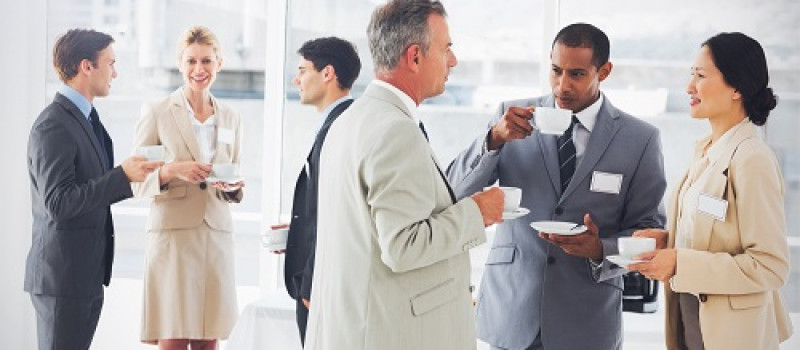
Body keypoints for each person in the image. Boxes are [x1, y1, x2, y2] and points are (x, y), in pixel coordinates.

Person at [446, 23, 667, 350]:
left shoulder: (640, 140)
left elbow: (649, 231)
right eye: (555, 70)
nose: (562, 85)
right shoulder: (511, 118)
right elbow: (454, 189)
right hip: (511, 311)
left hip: (587, 320)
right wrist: (494, 139)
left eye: (577, 74)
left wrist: (600, 249)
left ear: (603, 71)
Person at [304, 1, 505, 349]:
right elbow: (403, 247)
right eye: (446, 49)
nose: (453, 61)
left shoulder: (348, 120)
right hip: (392, 334)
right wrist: (478, 212)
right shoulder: (395, 130)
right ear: (414, 57)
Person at [628, 32, 793, 350]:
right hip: (693, 325)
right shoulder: (706, 150)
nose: (689, 87)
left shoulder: (752, 159)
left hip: (731, 336)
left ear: (736, 87)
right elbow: (715, 235)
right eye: (692, 75)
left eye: (700, 76)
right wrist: (669, 241)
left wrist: (680, 263)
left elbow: (770, 266)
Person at [25, 28, 162, 350]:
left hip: (83, 275)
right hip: (62, 278)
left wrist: (130, 176)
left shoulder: (88, 119)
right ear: (87, 66)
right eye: (111, 63)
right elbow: (58, 202)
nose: (116, 72)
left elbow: (90, 188)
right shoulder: (54, 124)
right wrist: (121, 176)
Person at [131, 26, 244, 350]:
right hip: (174, 239)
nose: (199, 69)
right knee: (174, 335)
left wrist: (234, 185)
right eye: (191, 61)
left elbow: (234, 172)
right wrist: (172, 171)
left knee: (210, 339)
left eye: (207, 61)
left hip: (216, 234)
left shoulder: (232, 117)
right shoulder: (157, 112)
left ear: (219, 63)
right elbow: (138, 180)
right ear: (180, 63)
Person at [271, 36, 361, 344]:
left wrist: (311, 284)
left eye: (302, 70)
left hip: (323, 284)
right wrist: (297, 231)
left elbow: (337, 214)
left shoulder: (340, 127)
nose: (296, 79)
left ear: (328, 74)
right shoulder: (336, 122)